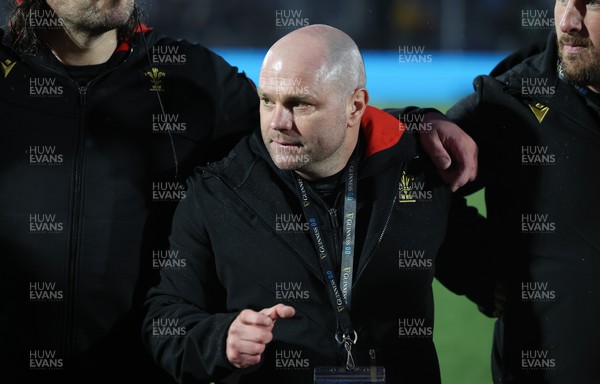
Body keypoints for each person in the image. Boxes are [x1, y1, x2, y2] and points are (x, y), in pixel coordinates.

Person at [0, 1, 476, 383]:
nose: (277, 113)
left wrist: (417, 124)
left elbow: (306, 121)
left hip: (145, 366)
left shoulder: (189, 76)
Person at [142, 23, 480, 384]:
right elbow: (163, 320)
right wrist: (220, 338)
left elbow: (497, 278)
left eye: (299, 104)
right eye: (267, 100)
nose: (278, 123)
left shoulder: (417, 176)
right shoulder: (217, 194)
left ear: (355, 106)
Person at [433, 0, 600, 382]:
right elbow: (412, 182)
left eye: (592, 4)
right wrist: (477, 270)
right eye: (562, 0)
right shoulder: (513, 100)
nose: (568, 22)